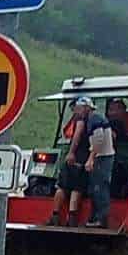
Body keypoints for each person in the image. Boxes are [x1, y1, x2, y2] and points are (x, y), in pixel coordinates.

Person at [47, 96, 97, 225]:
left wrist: (70, 152)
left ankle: (55, 215)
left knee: (63, 186)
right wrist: (72, 153)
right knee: (76, 188)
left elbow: (75, 134)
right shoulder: (85, 120)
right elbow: (78, 134)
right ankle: (72, 217)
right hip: (79, 157)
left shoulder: (79, 119)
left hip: (75, 156)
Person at [84, 104, 116, 227]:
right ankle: (95, 218)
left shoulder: (95, 119)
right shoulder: (97, 119)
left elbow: (99, 138)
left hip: (102, 157)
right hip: (103, 156)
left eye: (77, 108)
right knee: (96, 188)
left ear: (86, 108)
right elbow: (111, 135)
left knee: (100, 187)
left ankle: (101, 219)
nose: (75, 111)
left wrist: (91, 158)